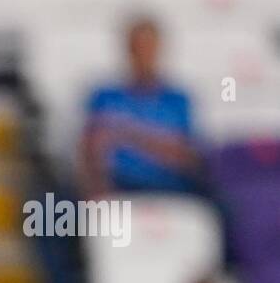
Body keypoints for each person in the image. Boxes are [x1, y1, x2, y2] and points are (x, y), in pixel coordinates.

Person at [78, 16, 202, 198]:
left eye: (148, 48)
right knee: (51, 206)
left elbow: (187, 155)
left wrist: (127, 133)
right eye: (137, 48)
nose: (143, 55)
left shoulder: (178, 99)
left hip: (171, 188)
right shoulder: (104, 97)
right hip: (119, 186)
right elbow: (89, 148)